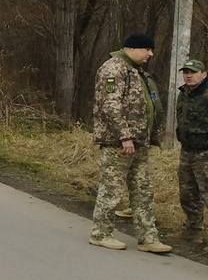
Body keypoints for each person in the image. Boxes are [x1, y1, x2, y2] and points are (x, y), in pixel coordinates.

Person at [88, 33, 171, 253]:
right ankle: (101, 233)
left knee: (143, 190)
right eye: (147, 49)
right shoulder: (113, 69)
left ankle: (148, 237)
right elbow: (110, 104)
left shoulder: (137, 71)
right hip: (119, 143)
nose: (151, 54)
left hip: (140, 142)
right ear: (133, 48)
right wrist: (124, 136)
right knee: (112, 189)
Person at [176, 58, 208, 242]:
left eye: (193, 72)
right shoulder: (184, 93)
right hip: (187, 150)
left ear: (204, 74)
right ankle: (193, 229)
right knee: (187, 192)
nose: (188, 75)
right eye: (186, 72)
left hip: (205, 151)